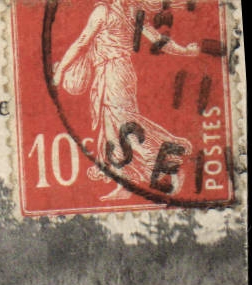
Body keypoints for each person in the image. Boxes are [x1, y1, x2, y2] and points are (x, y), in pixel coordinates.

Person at [53, 0, 201, 200]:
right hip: (121, 73)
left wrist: (60, 70)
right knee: (112, 131)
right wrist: (185, 51)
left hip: (112, 74)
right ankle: (124, 185)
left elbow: (82, 42)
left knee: (124, 128)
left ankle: (171, 166)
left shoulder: (103, 11)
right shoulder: (132, 12)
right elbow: (159, 40)